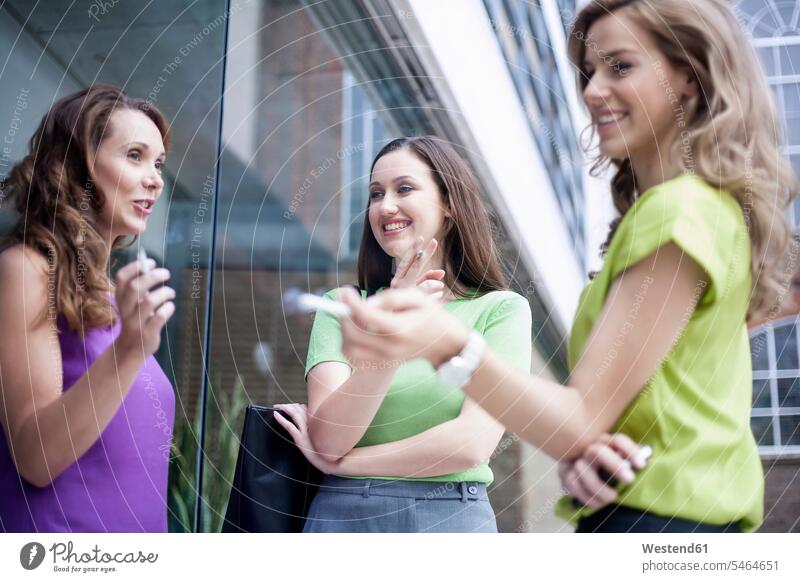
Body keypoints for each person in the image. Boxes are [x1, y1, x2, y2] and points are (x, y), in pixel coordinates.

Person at [329, 0, 798, 532]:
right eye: (589, 71)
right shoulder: (683, 211)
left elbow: (581, 416)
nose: (593, 90)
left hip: (666, 527)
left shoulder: (680, 212)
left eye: (621, 66)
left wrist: (439, 340)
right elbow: (608, 417)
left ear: (688, 77)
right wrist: (584, 452)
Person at [274, 136, 532, 532]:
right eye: (376, 194)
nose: (385, 205)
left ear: (448, 204)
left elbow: (469, 444)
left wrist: (342, 464)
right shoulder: (341, 307)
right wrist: (392, 333)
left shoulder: (501, 310)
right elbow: (330, 438)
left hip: (450, 521)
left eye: (404, 188)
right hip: (344, 520)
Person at [0, 85, 177, 532]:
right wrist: (130, 350)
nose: (155, 178)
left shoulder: (114, 302)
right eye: (134, 155)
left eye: (158, 163)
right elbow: (35, 457)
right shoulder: (26, 269)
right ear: (77, 167)